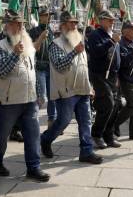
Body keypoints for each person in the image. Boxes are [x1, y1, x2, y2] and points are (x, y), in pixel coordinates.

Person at [0, 10, 50, 182]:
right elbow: (1, 71)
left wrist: (38, 92)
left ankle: (33, 167)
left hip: (29, 99)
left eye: (21, 24)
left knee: (33, 134)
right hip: (9, 100)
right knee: (2, 135)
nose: (20, 27)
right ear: (7, 26)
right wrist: (15, 54)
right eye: (16, 24)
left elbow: (33, 71)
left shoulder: (28, 45)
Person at [41, 11, 103, 164]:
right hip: (66, 90)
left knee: (86, 121)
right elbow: (60, 66)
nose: (74, 26)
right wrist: (75, 52)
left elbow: (83, 67)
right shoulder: (55, 44)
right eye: (71, 23)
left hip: (82, 89)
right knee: (63, 121)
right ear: (62, 26)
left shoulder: (79, 43)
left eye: (76, 23)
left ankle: (86, 151)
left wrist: (89, 86)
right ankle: (45, 139)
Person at [86, 10, 121, 149]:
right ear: (101, 20)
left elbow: (116, 56)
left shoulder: (112, 35)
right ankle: (96, 133)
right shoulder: (95, 35)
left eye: (113, 20)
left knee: (116, 105)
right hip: (100, 75)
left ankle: (109, 135)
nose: (112, 22)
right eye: (109, 20)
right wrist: (111, 41)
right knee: (108, 103)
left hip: (112, 75)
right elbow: (96, 52)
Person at [28, 6, 57, 127]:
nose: (48, 17)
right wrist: (41, 37)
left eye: (49, 15)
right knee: (42, 97)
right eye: (45, 15)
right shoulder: (34, 31)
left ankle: (52, 121)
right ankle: (31, 118)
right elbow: (32, 48)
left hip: (50, 67)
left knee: (52, 97)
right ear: (40, 17)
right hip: (39, 67)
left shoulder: (51, 31)